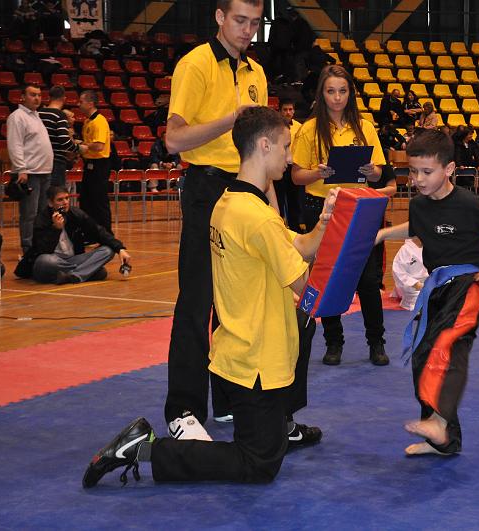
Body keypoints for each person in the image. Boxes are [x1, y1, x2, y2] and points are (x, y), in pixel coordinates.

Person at [82, 106, 333, 489]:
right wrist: (344, 263)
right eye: (285, 147)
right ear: (264, 146)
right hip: (256, 362)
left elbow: (297, 244)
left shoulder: (232, 203)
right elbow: (308, 291)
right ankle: (146, 449)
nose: (289, 157)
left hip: (242, 352)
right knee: (259, 464)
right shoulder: (258, 217)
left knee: (268, 448)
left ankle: (269, 431)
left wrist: (326, 223)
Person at [162, 0, 270, 438]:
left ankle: (228, 400)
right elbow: (173, 139)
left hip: (247, 191)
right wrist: (229, 120)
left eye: (255, 23)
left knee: (237, 303)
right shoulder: (196, 64)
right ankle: (183, 409)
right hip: (206, 188)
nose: (247, 30)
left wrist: (272, 207)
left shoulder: (257, 73)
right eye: (240, 20)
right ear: (220, 17)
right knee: (198, 299)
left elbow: (261, 149)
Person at [375, 129, 479, 456]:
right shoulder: (420, 205)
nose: (418, 179)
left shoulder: (469, 204)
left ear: (448, 169)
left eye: (427, 172)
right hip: (437, 286)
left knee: (446, 343)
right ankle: (443, 440)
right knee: (422, 354)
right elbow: (416, 227)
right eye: (413, 172)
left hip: (469, 282)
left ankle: (438, 421)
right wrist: (381, 235)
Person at [291, 64, 388, 366]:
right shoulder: (308, 129)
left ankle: (376, 342)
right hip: (322, 208)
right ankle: (333, 342)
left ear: (350, 94)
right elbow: (296, 176)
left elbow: (379, 174)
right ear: (321, 93)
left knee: (368, 280)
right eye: (331, 91)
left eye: (342, 91)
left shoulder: (365, 127)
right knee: (327, 278)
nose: (337, 97)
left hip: (358, 209)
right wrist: (317, 173)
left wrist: (372, 171)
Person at [21, 186, 130, 284]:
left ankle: (73, 276)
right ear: (50, 203)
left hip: (73, 259)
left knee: (108, 250)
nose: (65, 202)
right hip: (52, 261)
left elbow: (98, 231)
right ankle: (86, 271)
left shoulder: (76, 214)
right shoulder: (42, 219)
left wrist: (120, 248)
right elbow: (42, 249)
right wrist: (56, 229)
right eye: (60, 200)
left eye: (67, 198)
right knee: (44, 261)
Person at [6, 83, 53, 255]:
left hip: (44, 172)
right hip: (30, 173)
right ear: (22, 97)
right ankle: (28, 249)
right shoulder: (17, 117)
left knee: (42, 213)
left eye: (39, 95)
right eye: (33, 95)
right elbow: (15, 144)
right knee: (29, 214)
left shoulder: (36, 116)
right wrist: (21, 168)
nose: (37, 98)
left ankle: (40, 247)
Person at [77, 90, 112, 233]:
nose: (78, 104)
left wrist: (83, 145)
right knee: (85, 200)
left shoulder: (99, 121)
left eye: (81, 102)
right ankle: (89, 232)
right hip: (89, 164)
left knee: (99, 201)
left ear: (90, 103)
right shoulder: (87, 121)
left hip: (99, 165)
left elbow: (99, 146)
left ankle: (106, 233)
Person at [274, 98, 304, 230]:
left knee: (294, 198)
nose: (288, 112)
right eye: (285, 110)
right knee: (278, 197)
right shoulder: (274, 127)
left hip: (294, 166)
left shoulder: (299, 127)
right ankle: (279, 225)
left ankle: (295, 226)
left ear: (294, 111)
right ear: (280, 111)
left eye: (290, 109)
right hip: (279, 166)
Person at [38, 86, 76, 188]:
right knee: (56, 192)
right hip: (56, 161)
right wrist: (78, 148)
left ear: (49, 97)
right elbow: (64, 140)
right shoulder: (60, 115)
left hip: (40, 160)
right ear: (64, 98)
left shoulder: (39, 113)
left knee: (43, 193)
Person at [392, 237, 427, 311]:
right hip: (411, 285)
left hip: (426, 281)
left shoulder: (429, 246)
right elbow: (398, 271)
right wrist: (415, 284)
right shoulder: (405, 249)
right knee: (421, 301)